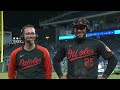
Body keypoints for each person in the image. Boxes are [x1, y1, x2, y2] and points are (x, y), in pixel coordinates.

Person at [53, 17, 118, 79]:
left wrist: (104, 76)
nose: (79, 30)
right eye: (76, 28)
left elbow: (113, 59)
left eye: (82, 28)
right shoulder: (66, 45)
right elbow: (55, 60)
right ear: (73, 30)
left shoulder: (97, 43)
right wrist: (60, 75)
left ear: (87, 29)